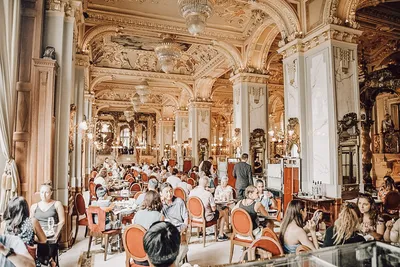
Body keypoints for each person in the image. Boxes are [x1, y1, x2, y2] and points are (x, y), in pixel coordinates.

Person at [189, 177, 229, 241]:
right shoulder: (208, 194)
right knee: (223, 213)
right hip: (205, 218)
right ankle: (221, 234)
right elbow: (214, 209)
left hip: (194, 217)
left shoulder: (191, 192)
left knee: (214, 212)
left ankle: (202, 231)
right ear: (207, 184)